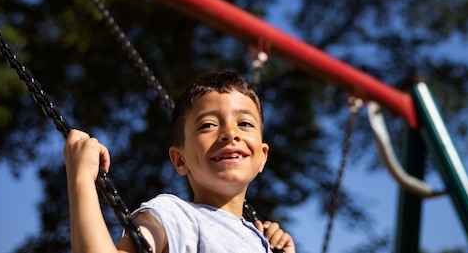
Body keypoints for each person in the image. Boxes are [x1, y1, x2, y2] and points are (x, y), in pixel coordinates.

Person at [64, 70, 296, 253]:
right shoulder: (172, 215)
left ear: (262, 155)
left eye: (244, 123)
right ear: (179, 159)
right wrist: (81, 177)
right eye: (208, 125)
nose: (230, 133)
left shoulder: (262, 241)